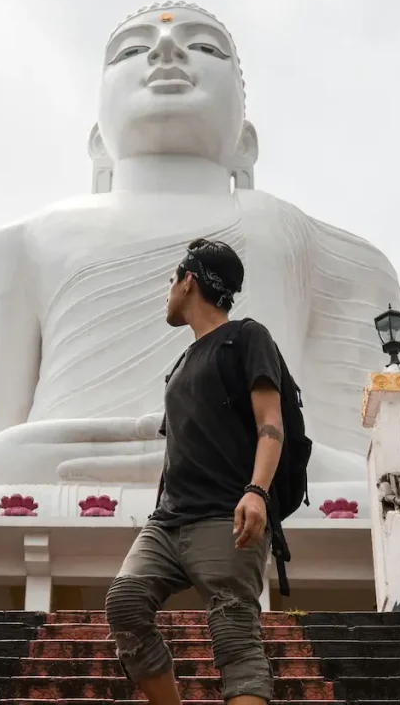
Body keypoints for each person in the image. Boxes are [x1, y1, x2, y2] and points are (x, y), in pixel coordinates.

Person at [105, 237, 284, 705]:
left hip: (226, 514)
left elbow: (271, 424)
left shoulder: (246, 337)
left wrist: (257, 491)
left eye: (171, 280)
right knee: (125, 603)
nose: (167, 291)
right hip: (167, 521)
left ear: (188, 281)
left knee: (233, 634)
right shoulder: (180, 364)